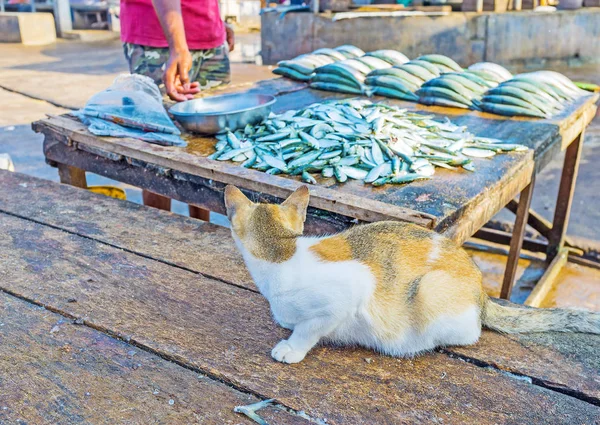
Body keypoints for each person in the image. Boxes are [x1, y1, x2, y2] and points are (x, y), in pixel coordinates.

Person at [119, 0, 235, 219]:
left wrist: (216, 21)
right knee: (156, 146)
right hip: (158, 38)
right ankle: (159, 241)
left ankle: (201, 232)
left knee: (206, 146)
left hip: (208, 37)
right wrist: (178, 45)